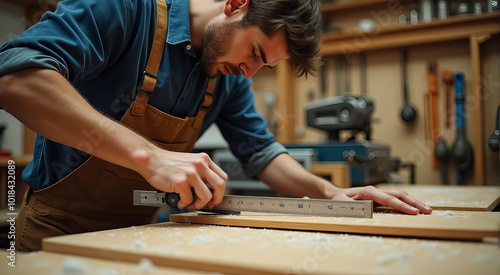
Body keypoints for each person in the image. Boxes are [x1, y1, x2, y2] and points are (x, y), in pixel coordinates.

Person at [0, 0, 432, 252]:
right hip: (51, 232)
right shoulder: (127, 9)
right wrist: (150, 157)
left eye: (264, 66)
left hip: (135, 238)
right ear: (236, 4)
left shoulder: (224, 77)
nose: (249, 73)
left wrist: (331, 194)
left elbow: (261, 152)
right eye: (256, 53)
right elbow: (15, 77)